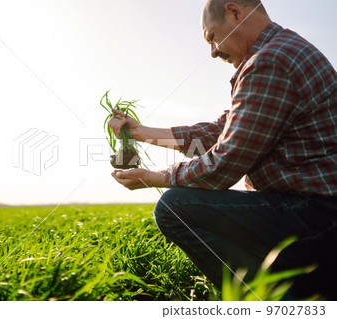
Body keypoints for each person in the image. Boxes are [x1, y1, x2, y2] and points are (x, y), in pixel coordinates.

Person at [108, 0, 336, 300]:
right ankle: (312, 285)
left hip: (318, 215)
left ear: (235, 12)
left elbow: (223, 165)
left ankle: (276, 302)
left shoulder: (270, 61)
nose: (213, 51)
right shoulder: (282, 51)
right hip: (317, 213)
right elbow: (221, 130)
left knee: (177, 207)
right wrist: (140, 133)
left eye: (212, 37)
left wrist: (154, 178)